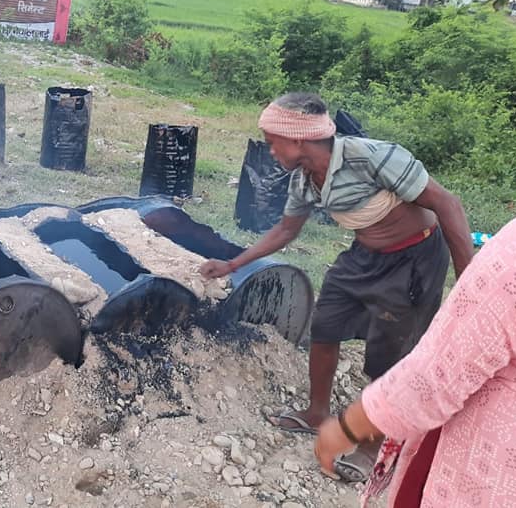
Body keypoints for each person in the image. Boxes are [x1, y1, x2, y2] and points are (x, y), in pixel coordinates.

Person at [199, 93, 474, 481]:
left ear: (298, 139)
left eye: (273, 141)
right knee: (324, 325)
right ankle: (317, 413)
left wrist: (470, 286)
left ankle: (373, 446)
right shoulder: (305, 179)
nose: (270, 150)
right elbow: (286, 230)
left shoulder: (373, 157)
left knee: (389, 355)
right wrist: (232, 264)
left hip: (413, 260)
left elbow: (448, 205)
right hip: (363, 256)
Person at [314, 211, 516, 507]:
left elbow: (436, 376)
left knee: (389, 346)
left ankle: (368, 448)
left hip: (488, 474)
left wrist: (349, 427)